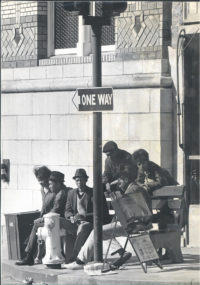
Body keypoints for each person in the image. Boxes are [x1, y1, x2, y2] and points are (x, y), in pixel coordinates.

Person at [64, 171, 152, 270]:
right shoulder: (137, 188)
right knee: (102, 231)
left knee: (97, 232)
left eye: (120, 182)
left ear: (126, 180)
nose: (119, 185)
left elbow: (134, 213)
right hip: (137, 223)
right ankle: (122, 253)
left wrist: (117, 201)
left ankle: (80, 261)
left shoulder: (132, 190)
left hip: (134, 224)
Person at [16, 170, 70, 266]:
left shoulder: (61, 194)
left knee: (36, 224)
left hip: (59, 222)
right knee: (37, 224)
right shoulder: (59, 192)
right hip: (56, 221)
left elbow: (55, 211)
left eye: (50, 184)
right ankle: (32, 254)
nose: (49, 186)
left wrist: (41, 219)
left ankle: (29, 256)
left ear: (57, 183)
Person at [132, 149, 178, 259]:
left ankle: (165, 251)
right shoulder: (141, 170)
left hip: (169, 203)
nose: (139, 166)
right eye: (138, 164)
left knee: (163, 221)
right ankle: (156, 252)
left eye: (140, 163)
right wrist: (141, 185)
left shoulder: (155, 168)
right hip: (159, 204)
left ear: (146, 161)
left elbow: (162, 182)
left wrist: (148, 186)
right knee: (147, 220)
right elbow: (138, 181)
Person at [61, 169, 111, 264]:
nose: (79, 182)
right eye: (77, 180)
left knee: (83, 227)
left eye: (81, 180)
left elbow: (101, 213)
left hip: (89, 223)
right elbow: (67, 211)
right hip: (75, 222)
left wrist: (84, 216)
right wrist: (71, 217)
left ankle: (74, 257)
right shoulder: (71, 193)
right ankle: (59, 255)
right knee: (57, 220)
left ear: (86, 180)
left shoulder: (93, 193)